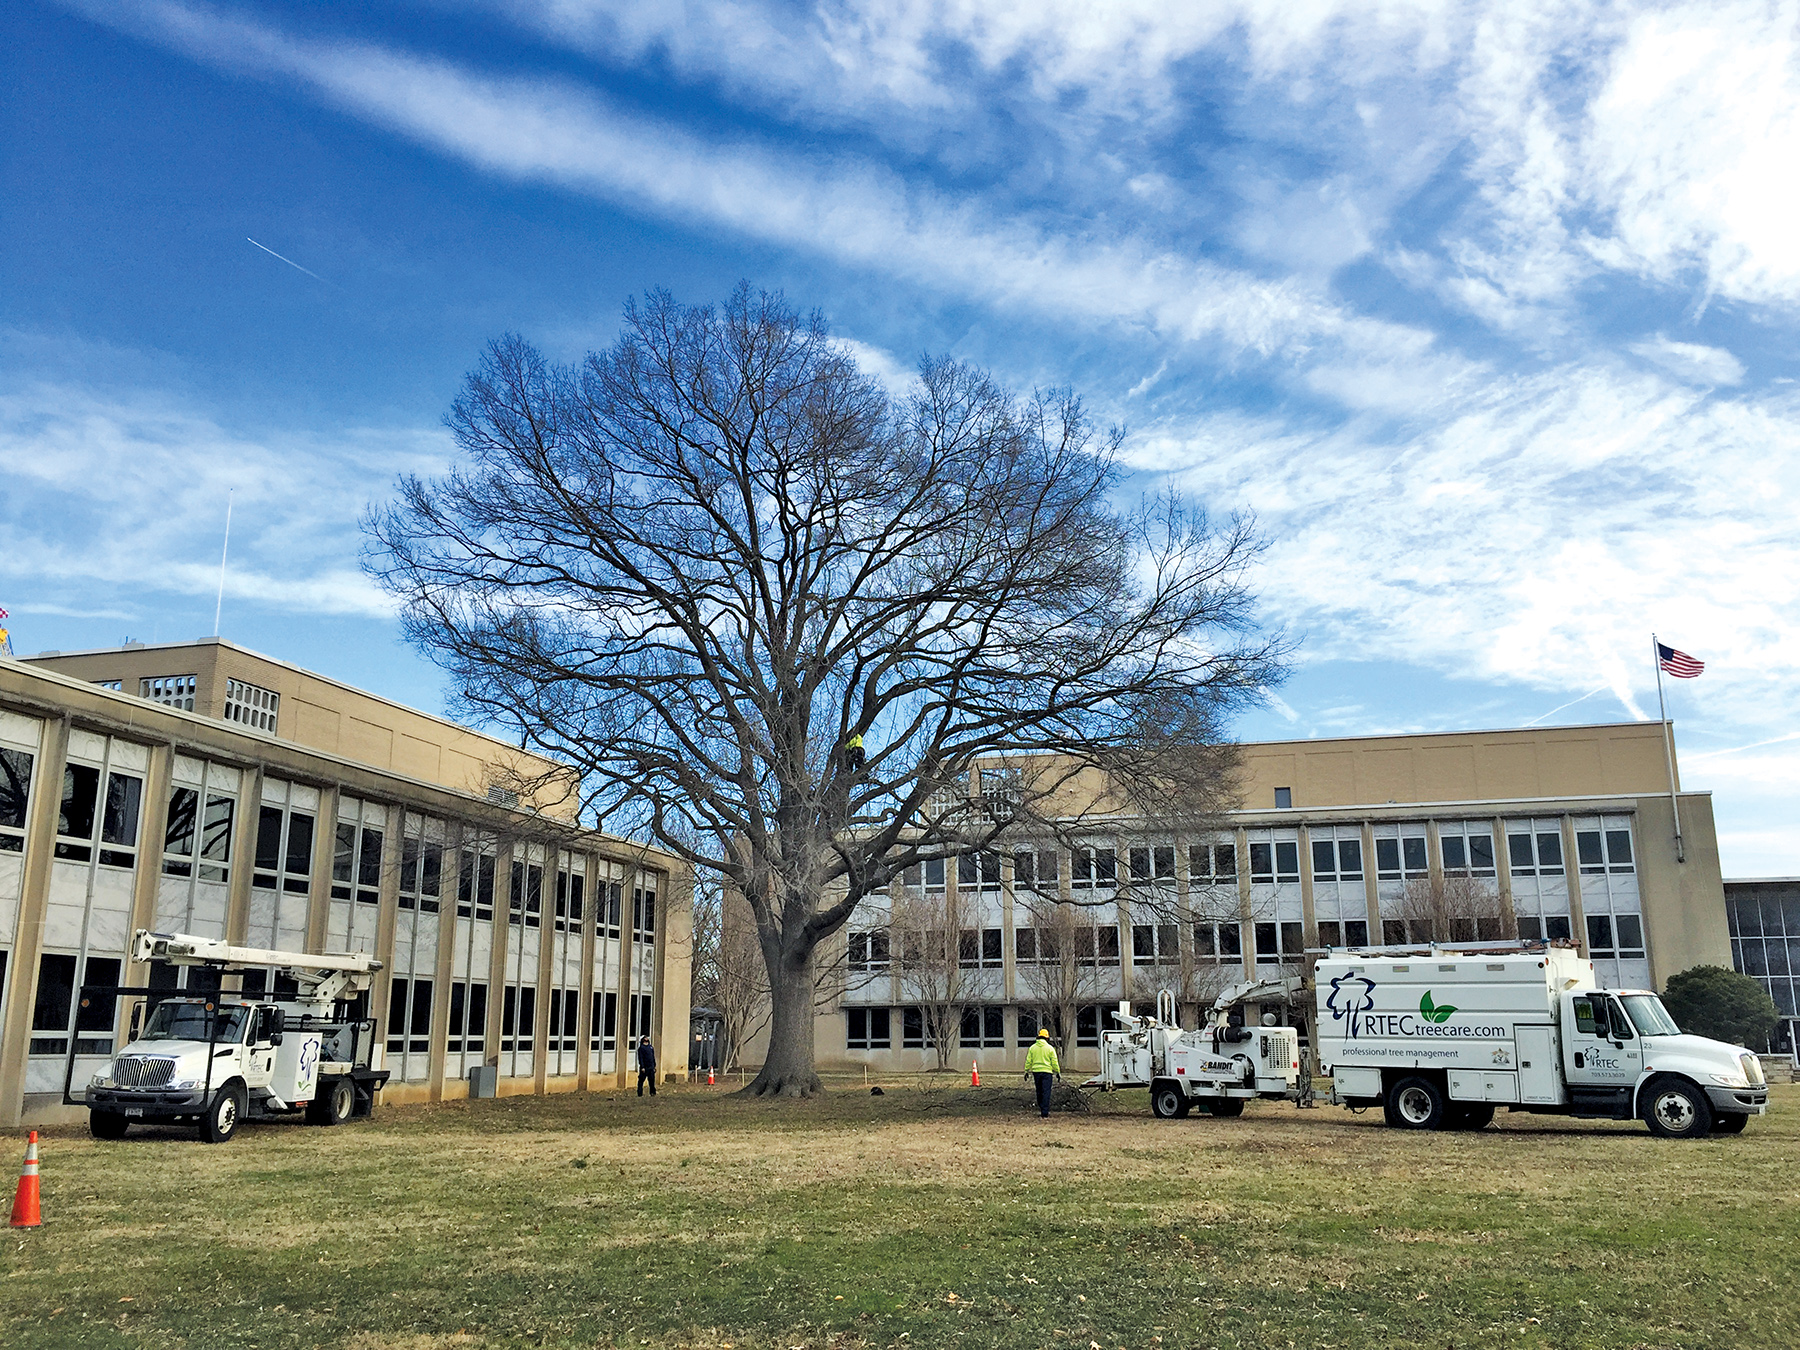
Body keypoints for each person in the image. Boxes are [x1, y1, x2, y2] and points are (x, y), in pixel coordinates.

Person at [1024, 1028, 1060, 1118]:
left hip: (1036, 1072)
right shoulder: (1050, 1049)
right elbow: (1054, 1062)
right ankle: (1045, 1112)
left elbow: (1028, 1061)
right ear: (1047, 1038)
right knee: (1046, 1092)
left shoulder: (1032, 1048)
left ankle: (1041, 1107)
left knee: (1039, 1091)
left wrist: (1026, 1071)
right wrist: (1057, 1072)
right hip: (1047, 1073)